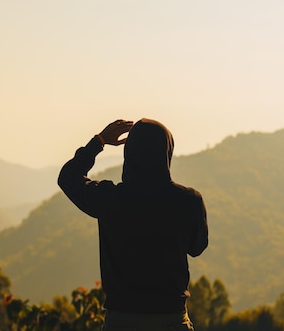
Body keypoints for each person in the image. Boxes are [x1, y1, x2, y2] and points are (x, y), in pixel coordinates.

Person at [58, 118, 209, 331]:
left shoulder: (110, 198)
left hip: (121, 321)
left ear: (129, 154)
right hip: (171, 320)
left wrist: (99, 142)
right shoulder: (188, 200)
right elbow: (197, 247)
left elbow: (68, 177)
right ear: (167, 151)